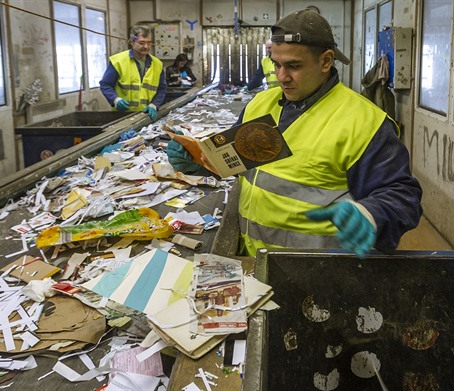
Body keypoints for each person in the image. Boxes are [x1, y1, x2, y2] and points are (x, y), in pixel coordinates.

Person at [167, 9, 423, 258]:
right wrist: (196, 161)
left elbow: (402, 195)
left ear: (325, 61)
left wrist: (371, 214)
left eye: (293, 66)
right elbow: (237, 164)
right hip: (254, 259)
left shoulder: (364, 122)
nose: (281, 76)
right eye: (276, 64)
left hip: (318, 271)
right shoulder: (259, 105)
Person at [100, 25, 166, 121]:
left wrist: (154, 104)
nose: (146, 46)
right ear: (131, 42)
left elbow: (162, 88)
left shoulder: (157, 64)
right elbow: (105, 85)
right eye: (142, 43)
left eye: (149, 43)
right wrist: (115, 100)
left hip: (146, 116)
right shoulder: (118, 61)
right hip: (122, 116)